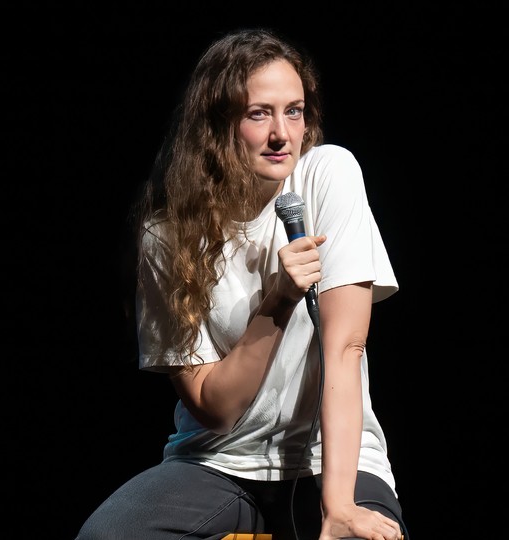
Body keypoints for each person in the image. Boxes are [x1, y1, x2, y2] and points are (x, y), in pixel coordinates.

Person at [76, 28, 407, 540]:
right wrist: (277, 301)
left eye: (293, 111)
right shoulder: (166, 237)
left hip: (331, 459)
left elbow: (346, 345)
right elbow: (214, 407)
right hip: (219, 463)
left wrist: (339, 505)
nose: (282, 133)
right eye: (259, 114)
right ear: (217, 124)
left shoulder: (327, 175)